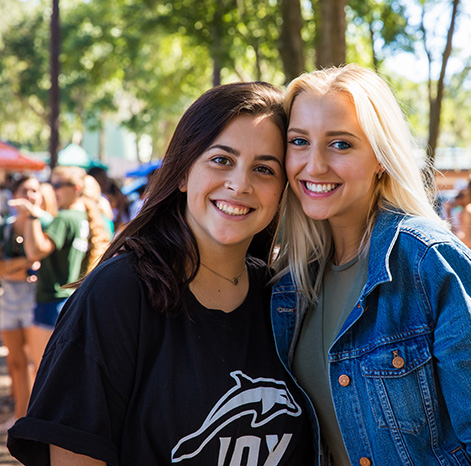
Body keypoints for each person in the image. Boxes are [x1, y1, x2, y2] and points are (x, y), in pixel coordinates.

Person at [8, 82, 313, 465]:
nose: (240, 184)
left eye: (264, 169)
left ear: (283, 191)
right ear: (183, 174)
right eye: (221, 160)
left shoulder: (286, 300)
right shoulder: (119, 293)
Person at [270, 64, 471, 465]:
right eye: (299, 141)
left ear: (381, 158)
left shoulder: (430, 263)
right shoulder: (288, 282)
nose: (313, 165)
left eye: (341, 145)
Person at [7, 166, 111, 371]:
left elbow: (35, 251)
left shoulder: (65, 218)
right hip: (70, 301)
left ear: (76, 188)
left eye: (57, 185)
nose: (53, 191)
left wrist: (32, 217)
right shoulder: (84, 217)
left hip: (51, 301)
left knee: (42, 372)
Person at [0, 176, 52, 432]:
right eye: (25, 190)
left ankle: (35, 419)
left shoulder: (45, 223)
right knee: (17, 363)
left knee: (37, 363)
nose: (30, 195)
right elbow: (6, 267)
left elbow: (39, 260)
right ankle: (20, 415)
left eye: (35, 190)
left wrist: (14, 268)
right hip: (8, 302)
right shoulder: (5, 228)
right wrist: (25, 267)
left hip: (35, 301)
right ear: (15, 193)